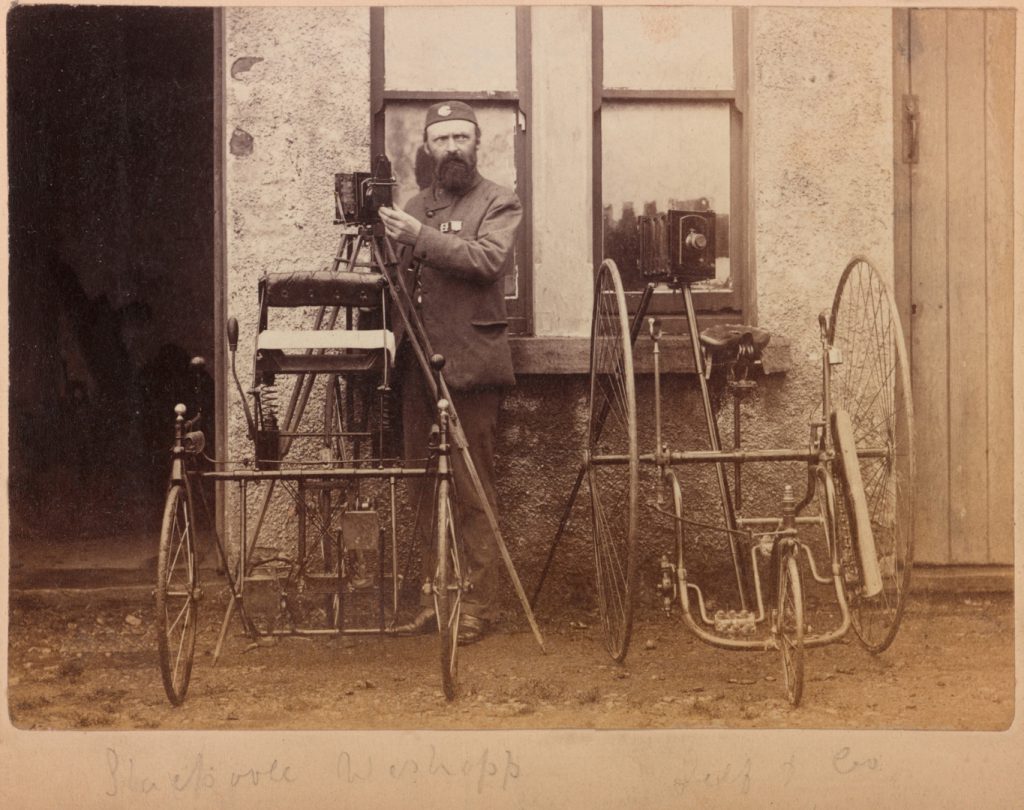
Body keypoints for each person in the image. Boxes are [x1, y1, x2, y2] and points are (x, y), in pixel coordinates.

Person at [379, 100, 522, 644]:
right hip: (416, 365)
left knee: (470, 485)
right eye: (442, 139)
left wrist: (418, 236)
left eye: (462, 137)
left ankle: (479, 606)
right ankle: (434, 598)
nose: (453, 148)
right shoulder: (417, 204)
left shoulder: (499, 201)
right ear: (428, 148)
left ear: (477, 143)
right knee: (422, 486)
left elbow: (487, 260)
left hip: (470, 365)